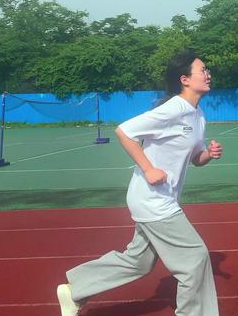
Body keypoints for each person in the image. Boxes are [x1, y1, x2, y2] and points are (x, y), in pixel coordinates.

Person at [56, 51, 222, 316]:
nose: (208, 74)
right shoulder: (174, 108)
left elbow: (195, 159)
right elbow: (125, 131)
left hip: (160, 199)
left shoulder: (198, 115)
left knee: (138, 261)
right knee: (195, 258)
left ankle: (75, 289)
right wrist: (148, 168)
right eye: (202, 70)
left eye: (207, 69)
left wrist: (208, 155)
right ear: (185, 79)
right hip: (154, 200)